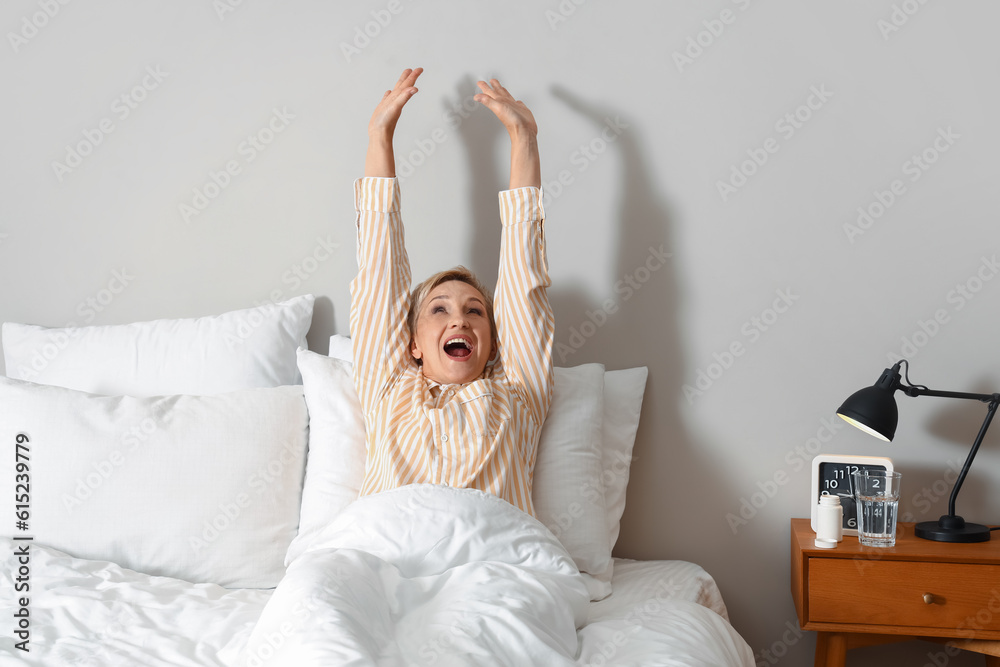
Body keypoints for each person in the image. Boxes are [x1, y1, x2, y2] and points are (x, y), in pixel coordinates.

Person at [350, 67, 552, 516]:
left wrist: (524, 139)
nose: (459, 319)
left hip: (490, 557)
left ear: (495, 342)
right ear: (413, 345)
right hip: (387, 553)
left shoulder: (518, 394)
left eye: (476, 311)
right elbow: (378, 275)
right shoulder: (389, 389)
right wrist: (379, 138)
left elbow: (524, 282)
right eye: (438, 310)